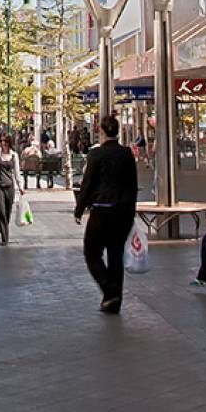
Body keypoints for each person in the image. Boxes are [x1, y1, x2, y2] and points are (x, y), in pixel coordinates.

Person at [75, 113, 139, 315]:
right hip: (122, 211)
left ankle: (110, 291)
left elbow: (87, 185)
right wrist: (131, 210)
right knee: (115, 254)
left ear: (101, 132)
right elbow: (133, 185)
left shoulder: (96, 155)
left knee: (91, 252)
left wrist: (79, 209)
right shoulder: (127, 153)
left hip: (101, 211)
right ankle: (115, 299)